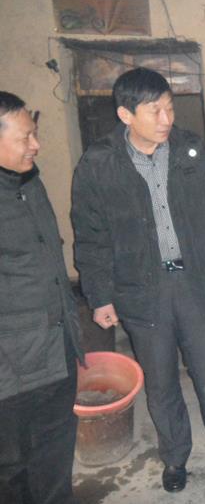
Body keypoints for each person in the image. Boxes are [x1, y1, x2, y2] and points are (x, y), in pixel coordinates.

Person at [70, 68, 205, 493]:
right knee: (161, 381)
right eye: (154, 110)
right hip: (140, 288)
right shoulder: (99, 164)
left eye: (169, 108)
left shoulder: (191, 151)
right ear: (125, 114)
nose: (166, 118)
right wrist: (100, 296)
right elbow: (91, 235)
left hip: (194, 280)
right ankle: (175, 456)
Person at [0, 91, 84, 503]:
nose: (36, 145)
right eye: (25, 137)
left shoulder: (29, 183)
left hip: (56, 343)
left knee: (55, 449)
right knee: (11, 462)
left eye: (35, 134)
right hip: (11, 362)